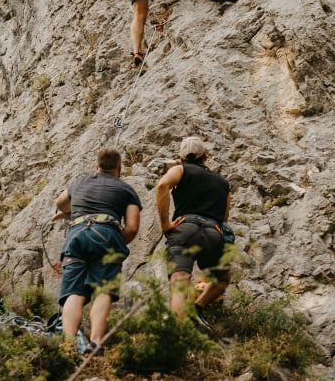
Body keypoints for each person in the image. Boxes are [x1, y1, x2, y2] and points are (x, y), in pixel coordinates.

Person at [53, 147, 142, 353]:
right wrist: (115, 243)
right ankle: (95, 343)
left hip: (76, 236)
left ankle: (68, 345)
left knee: (74, 293)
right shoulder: (126, 190)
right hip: (107, 235)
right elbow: (132, 227)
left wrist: (69, 211)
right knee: (103, 291)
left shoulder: (79, 183)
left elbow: (60, 203)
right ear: (119, 167)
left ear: (96, 165)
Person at [156, 136, 232, 329]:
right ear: (205, 156)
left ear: (182, 158)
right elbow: (224, 218)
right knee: (222, 279)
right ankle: (197, 307)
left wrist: (165, 224)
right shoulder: (223, 183)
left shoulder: (180, 170)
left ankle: (178, 333)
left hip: (185, 228)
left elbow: (162, 185)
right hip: (213, 232)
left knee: (180, 279)